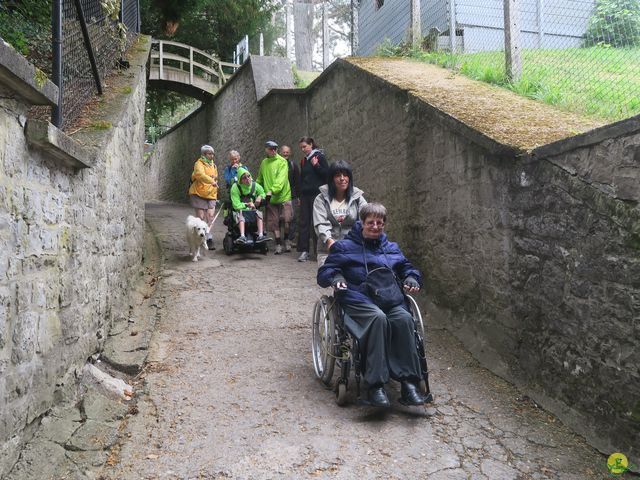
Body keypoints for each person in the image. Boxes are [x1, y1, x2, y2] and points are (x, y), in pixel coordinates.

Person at [317, 203, 427, 408]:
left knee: (403, 318)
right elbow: (325, 273)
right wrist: (337, 276)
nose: (375, 226)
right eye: (371, 222)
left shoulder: (391, 248)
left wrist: (411, 278)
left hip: (388, 298)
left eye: (380, 223)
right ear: (361, 223)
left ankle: (408, 383)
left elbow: (406, 267)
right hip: (358, 299)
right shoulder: (344, 247)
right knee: (378, 318)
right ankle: (375, 385)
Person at [313, 160, 366, 267]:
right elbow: (321, 224)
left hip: (353, 250)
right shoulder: (321, 199)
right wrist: (329, 241)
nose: (342, 178)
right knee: (332, 280)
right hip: (328, 251)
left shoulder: (357, 198)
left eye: (345, 175)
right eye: (338, 175)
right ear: (331, 179)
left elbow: (366, 220)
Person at [256, 140, 293, 255]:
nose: (273, 151)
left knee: (286, 220)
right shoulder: (264, 163)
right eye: (271, 149)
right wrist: (257, 191)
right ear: (266, 150)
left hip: (284, 196)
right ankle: (278, 244)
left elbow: (280, 180)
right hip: (270, 199)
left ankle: (286, 239)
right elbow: (259, 179)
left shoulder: (282, 162)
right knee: (274, 222)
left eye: (275, 149)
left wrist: (272, 190)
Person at [297, 136, 328, 262]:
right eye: (301, 148)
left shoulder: (319, 157)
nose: (303, 149)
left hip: (317, 195)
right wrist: (300, 195)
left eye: (305, 146)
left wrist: (316, 166)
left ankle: (318, 250)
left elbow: (327, 175)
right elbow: (302, 179)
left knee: (317, 222)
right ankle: (304, 251)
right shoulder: (303, 161)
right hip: (305, 196)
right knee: (304, 222)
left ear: (311, 144)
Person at [188, 144, 218, 250]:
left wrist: (214, 180)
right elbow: (199, 175)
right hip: (198, 193)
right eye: (210, 154)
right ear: (204, 154)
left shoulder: (213, 165)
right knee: (201, 217)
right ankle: (199, 237)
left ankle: (208, 237)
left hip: (211, 194)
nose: (212, 156)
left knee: (210, 216)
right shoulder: (198, 163)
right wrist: (211, 180)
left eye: (212, 154)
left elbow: (216, 177)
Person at [229, 167, 269, 244]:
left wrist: (260, 197)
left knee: (259, 213)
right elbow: (236, 205)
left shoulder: (255, 185)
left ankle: (260, 235)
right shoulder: (235, 188)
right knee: (241, 216)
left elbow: (263, 192)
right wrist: (247, 205)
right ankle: (242, 236)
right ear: (240, 180)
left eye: (248, 176)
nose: (247, 179)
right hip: (240, 211)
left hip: (252, 210)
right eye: (244, 178)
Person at [281, 145, 300, 251]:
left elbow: (297, 182)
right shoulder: (277, 165)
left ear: (290, 153)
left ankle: (289, 238)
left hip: (291, 195)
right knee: (282, 218)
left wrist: (298, 196)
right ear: (280, 153)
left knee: (292, 218)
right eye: (284, 152)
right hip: (280, 195)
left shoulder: (293, 166)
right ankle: (280, 239)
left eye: (287, 152)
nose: (286, 154)